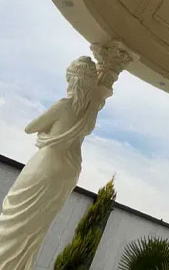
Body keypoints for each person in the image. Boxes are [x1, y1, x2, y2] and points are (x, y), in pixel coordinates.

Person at [0, 57, 114, 269]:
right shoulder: (90, 109)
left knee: (13, 222)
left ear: (73, 80)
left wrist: (47, 135)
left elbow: (30, 128)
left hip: (45, 167)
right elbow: (101, 93)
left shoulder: (64, 105)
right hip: (69, 171)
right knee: (36, 227)